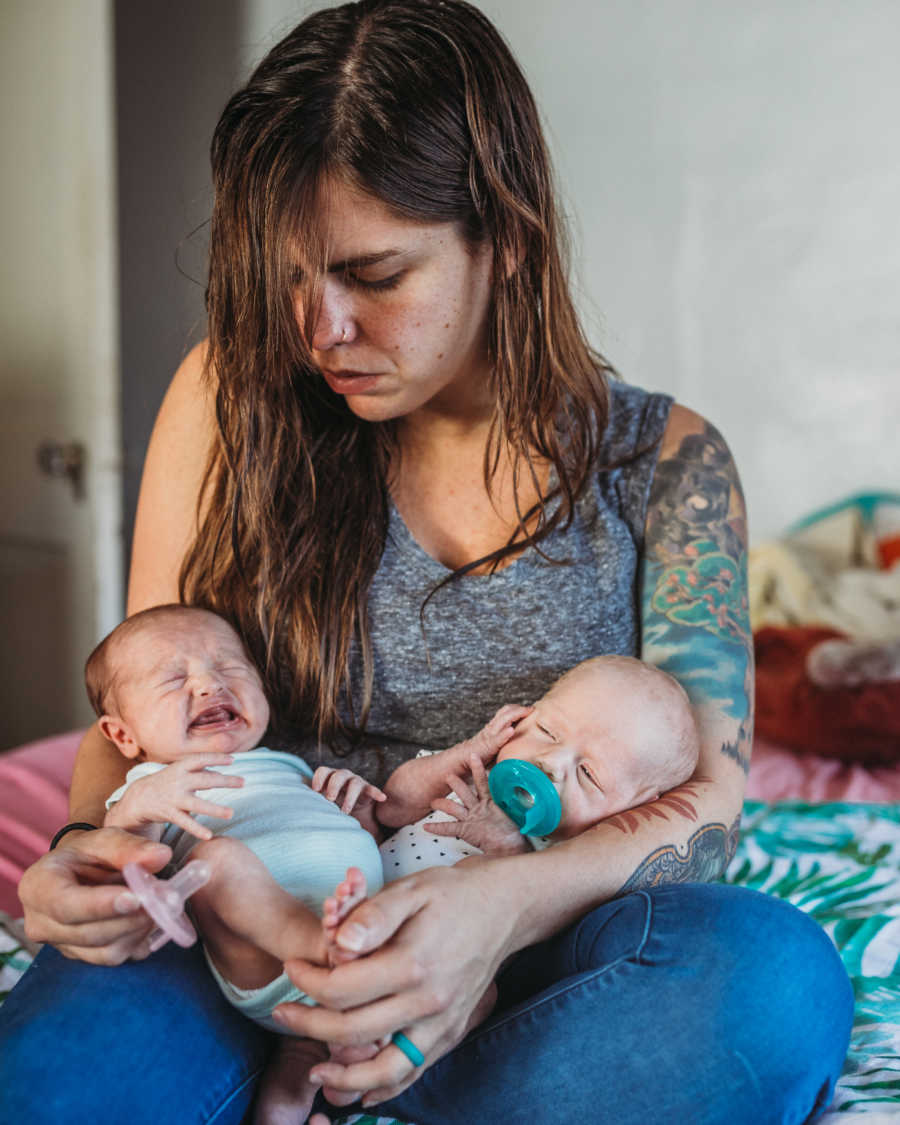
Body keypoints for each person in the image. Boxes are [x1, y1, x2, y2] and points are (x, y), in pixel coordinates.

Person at [0, 1, 853, 1123]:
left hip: (540, 946)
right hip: (250, 918)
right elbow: (143, 695)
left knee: (771, 981)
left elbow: (708, 811)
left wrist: (493, 911)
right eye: (295, 278)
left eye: (376, 276)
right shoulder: (228, 401)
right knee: (55, 1080)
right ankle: (319, 1056)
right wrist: (84, 852)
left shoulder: (669, 461)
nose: (321, 330)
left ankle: (370, 1077)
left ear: (504, 236)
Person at [88, 604, 699, 1123]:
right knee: (221, 864)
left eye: (588, 774)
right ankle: (330, 951)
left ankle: (330, 1084)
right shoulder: (154, 782)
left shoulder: (567, 854)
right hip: (293, 946)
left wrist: (365, 822)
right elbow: (401, 799)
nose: (550, 764)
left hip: (410, 973)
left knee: (468, 998)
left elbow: (469, 879)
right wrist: (467, 753)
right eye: (543, 731)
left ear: (630, 812)